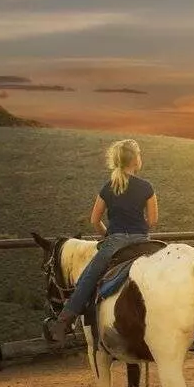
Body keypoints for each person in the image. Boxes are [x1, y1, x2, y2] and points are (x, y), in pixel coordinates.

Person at [47, 139, 158, 342]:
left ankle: (64, 321)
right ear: (135, 160)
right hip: (142, 241)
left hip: (115, 241)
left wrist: (108, 235)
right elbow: (153, 220)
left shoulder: (108, 187)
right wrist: (139, 230)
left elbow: (94, 220)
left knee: (87, 277)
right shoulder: (146, 187)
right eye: (139, 155)